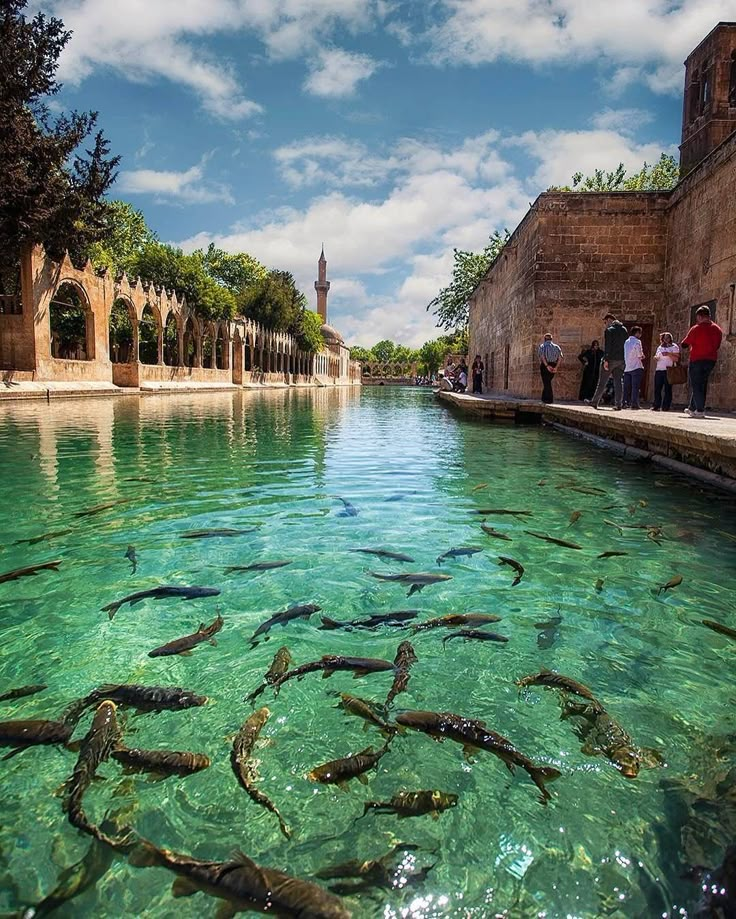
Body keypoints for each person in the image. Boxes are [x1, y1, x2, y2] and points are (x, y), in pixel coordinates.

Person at [681, 304, 723, 418]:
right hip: (711, 360)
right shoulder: (717, 329)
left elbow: (684, 344)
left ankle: (700, 410)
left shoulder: (696, 328)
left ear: (699, 316)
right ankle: (692, 408)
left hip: (697, 359)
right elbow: (717, 345)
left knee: (696, 385)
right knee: (702, 384)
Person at [586, 313, 628, 410]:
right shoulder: (624, 330)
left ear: (609, 320)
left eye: (605, 322)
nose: (605, 324)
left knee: (602, 381)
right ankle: (618, 404)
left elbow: (608, 346)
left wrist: (606, 360)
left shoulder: (609, 330)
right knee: (618, 382)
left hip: (611, 359)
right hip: (621, 360)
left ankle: (594, 402)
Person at [652, 332, 680, 411]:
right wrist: (656, 358)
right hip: (659, 369)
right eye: (664, 338)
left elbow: (676, 359)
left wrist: (668, 354)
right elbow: (656, 355)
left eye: (668, 338)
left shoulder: (674, 347)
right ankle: (656, 405)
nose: (666, 339)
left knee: (667, 389)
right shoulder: (660, 347)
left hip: (668, 369)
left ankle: (666, 406)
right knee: (657, 388)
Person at [623, 326, 645, 410]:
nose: (640, 335)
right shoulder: (637, 342)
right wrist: (642, 356)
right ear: (637, 333)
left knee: (626, 387)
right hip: (636, 366)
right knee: (635, 387)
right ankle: (634, 403)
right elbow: (639, 355)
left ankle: (624, 402)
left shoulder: (626, 342)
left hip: (627, 366)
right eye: (640, 333)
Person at [538, 333, 563, 404]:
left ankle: (549, 400)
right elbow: (560, 358)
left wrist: (547, 366)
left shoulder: (542, 346)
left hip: (545, 365)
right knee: (547, 382)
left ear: (544, 339)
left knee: (547, 382)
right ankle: (543, 398)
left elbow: (542, 357)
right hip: (554, 364)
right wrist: (556, 367)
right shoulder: (557, 347)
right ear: (551, 339)